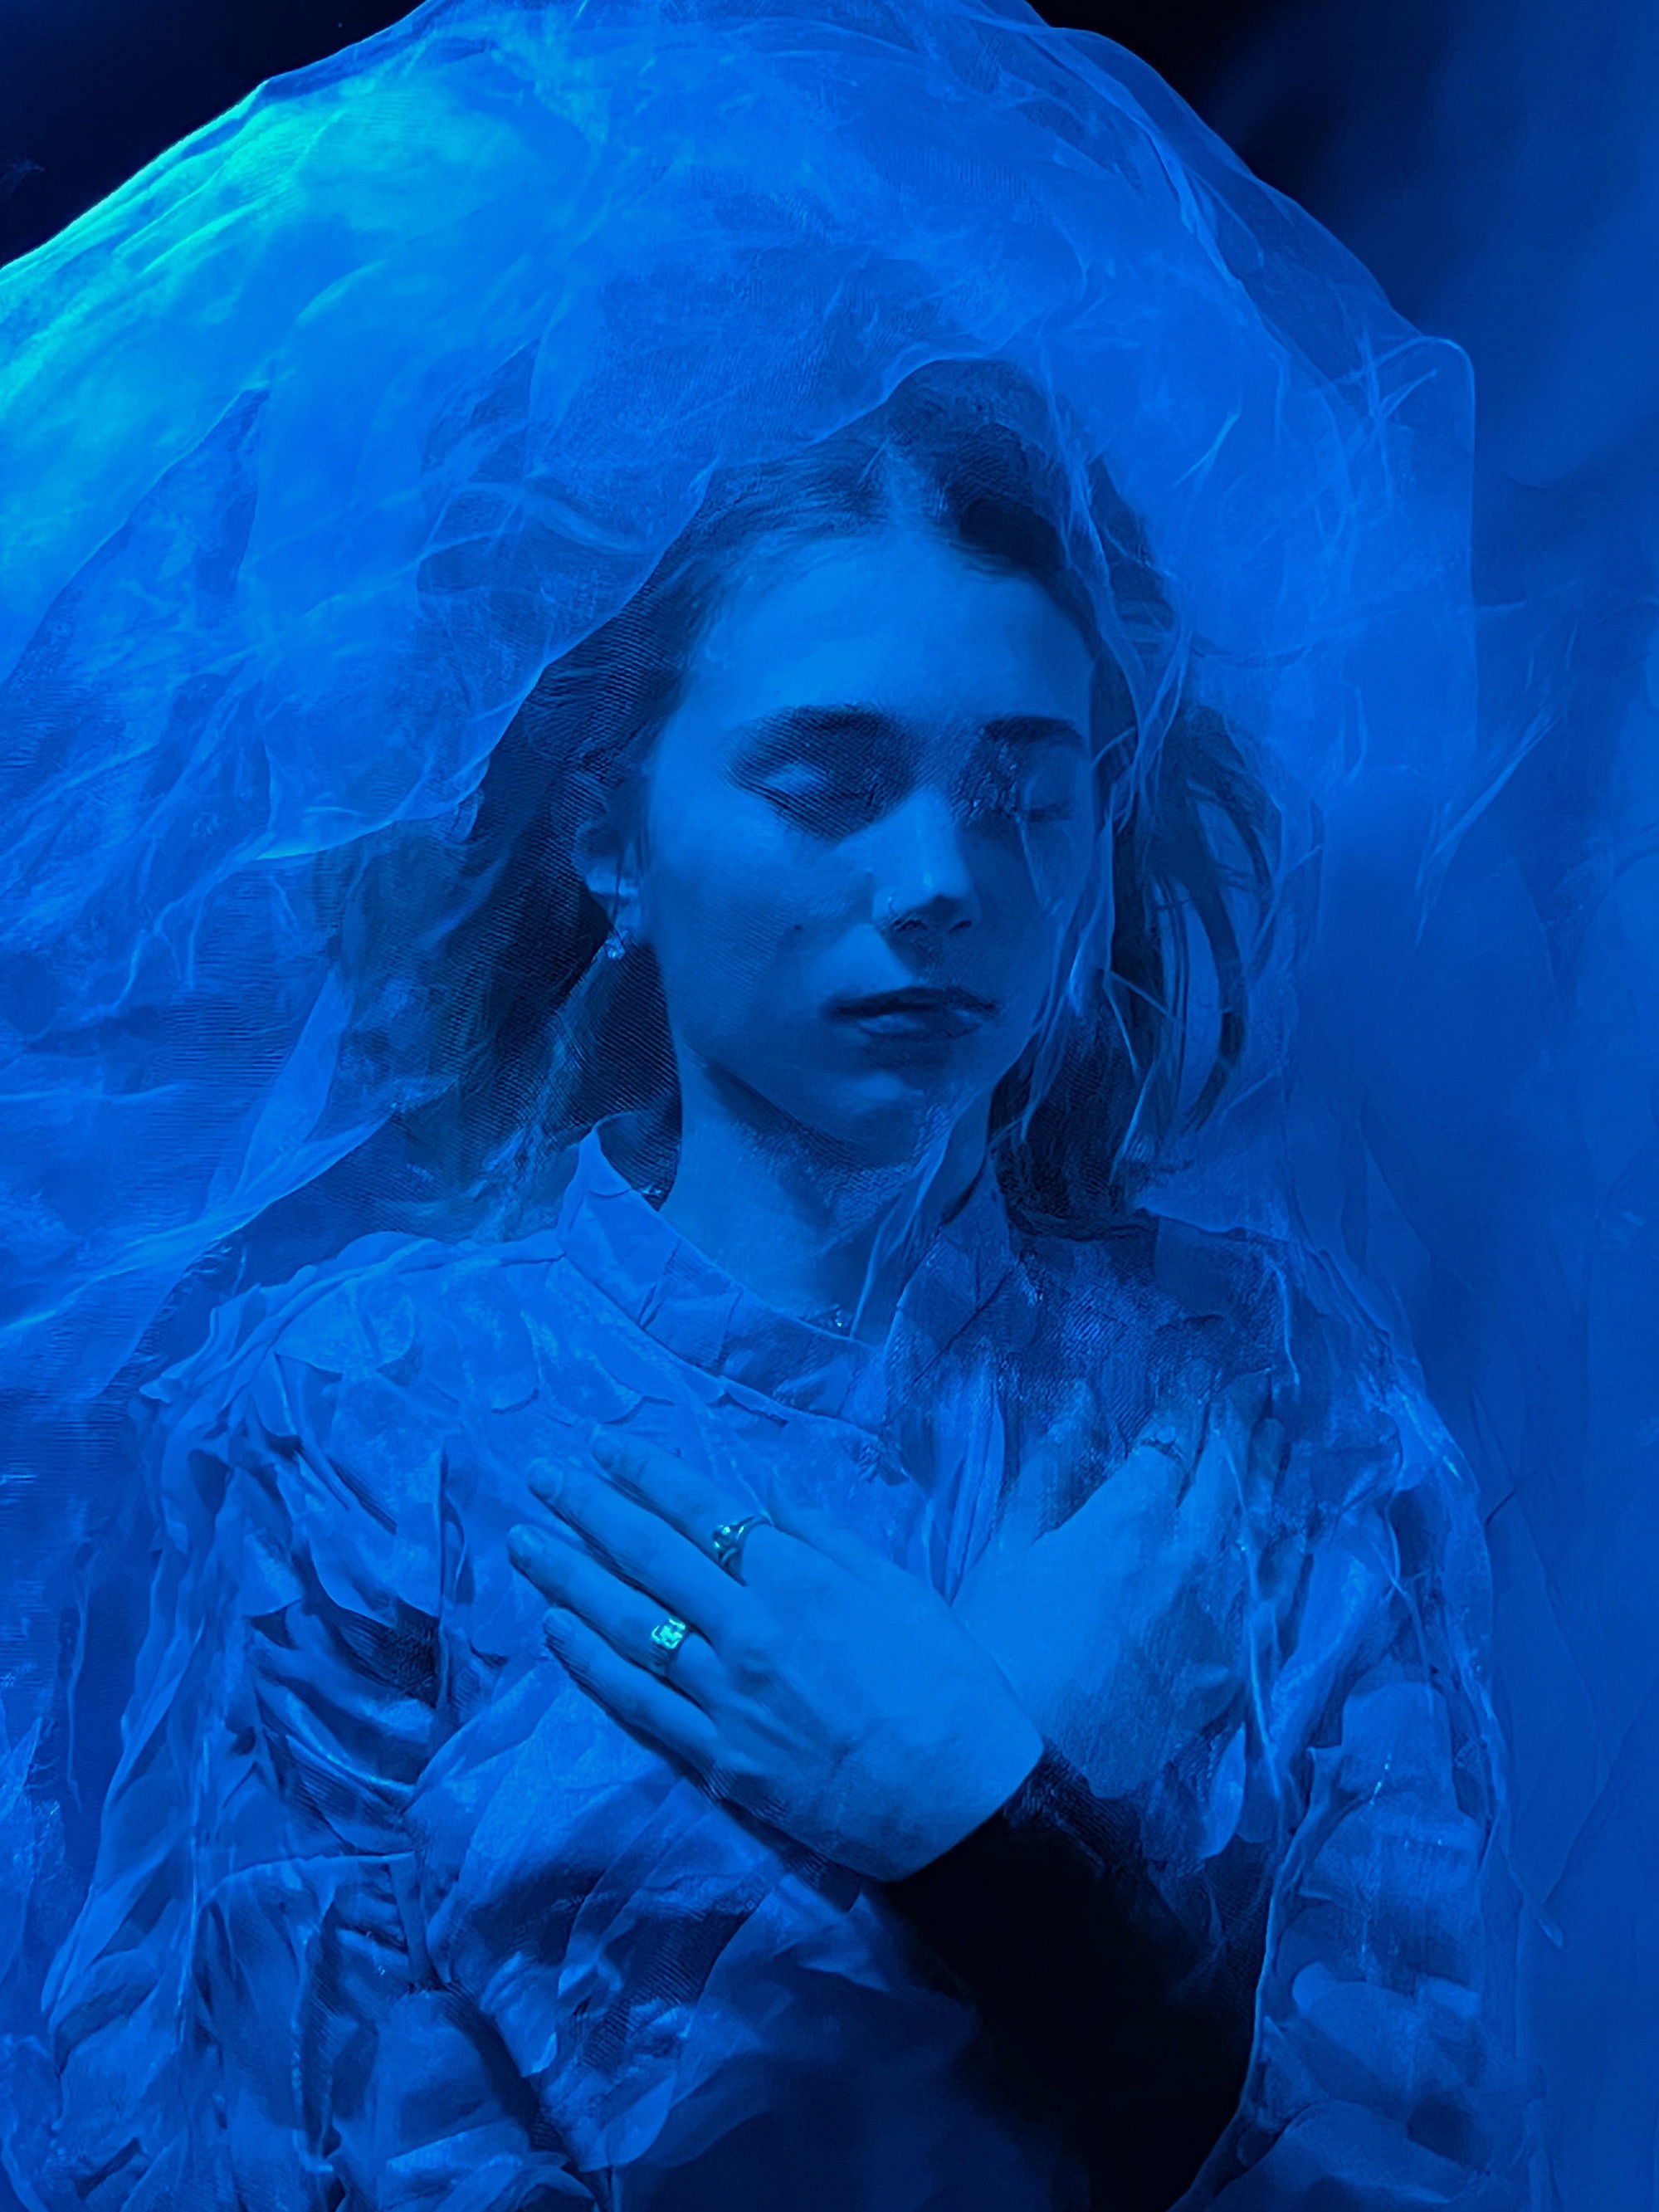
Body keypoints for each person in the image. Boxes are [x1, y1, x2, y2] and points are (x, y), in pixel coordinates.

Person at [36, 357, 1524, 2211]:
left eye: (1028, 796)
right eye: (827, 784)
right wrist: (1003, 1817)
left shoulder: (1265, 1406)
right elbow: (291, 2162)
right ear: (611, 836)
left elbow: (1411, 2155)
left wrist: (983, 1823)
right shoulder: (365, 1420)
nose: (942, 880)